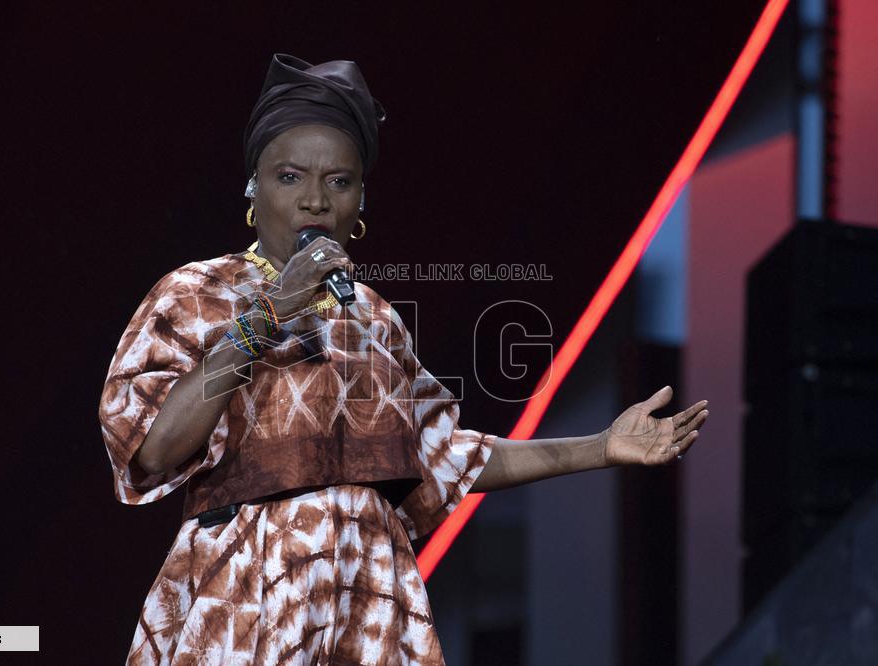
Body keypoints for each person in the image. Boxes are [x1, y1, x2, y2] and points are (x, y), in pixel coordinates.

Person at [98, 53, 709, 665]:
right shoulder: (196, 293)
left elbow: (445, 456)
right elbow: (151, 448)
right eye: (290, 177)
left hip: (369, 597)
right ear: (253, 186)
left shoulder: (373, 318)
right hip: (250, 592)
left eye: (339, 181)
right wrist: (269, 314)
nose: (315, 200)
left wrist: (600, 447)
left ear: (360, 201)